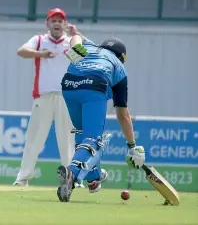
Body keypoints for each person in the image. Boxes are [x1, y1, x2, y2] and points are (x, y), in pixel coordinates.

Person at [56, 36, 146, 202]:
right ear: (122, 57)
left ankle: (93, 178)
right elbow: (122, 114)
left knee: (83, 134)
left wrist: (75, 47)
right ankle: (72, 172)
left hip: (69, 85)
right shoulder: (119, 66)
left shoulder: (89, 46)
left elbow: (75, 37)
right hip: (94, 87)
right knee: (93, 139)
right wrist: (132, 146)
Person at [14, 8, 84, 187]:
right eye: (53, 21)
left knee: (67, 141)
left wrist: (77, 34)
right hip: (43, 96)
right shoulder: (39, 40)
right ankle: (23, 178)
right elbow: (21, 51)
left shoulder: (70, 42)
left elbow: (87, 53)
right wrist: (41, 54)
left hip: (66, 96)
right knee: (34, 138)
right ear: (48, 24)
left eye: (60, 21)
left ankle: (73, 179)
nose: (57, 24)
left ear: (65, 24)